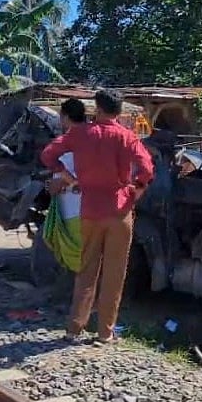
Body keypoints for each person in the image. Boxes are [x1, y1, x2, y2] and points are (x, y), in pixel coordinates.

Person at [41, 89, 154, 345]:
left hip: (90, 209)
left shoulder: (79, 134)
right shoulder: (128, 137)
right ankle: (105, 333)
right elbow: (146, 169)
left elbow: (48, 155)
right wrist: (136, 190)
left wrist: (67, 177)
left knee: (86, 270)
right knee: (114, 273)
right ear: (119, 111)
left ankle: (74, 328)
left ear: (98, 109)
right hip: (120, 210)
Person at [42, 99, 86, 274]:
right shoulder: (95, 139)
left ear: (65, 117)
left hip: (74, 212)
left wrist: (60, 183)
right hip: (95, 210)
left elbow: (56, 182)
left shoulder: (66, 144)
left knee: (81, 264)